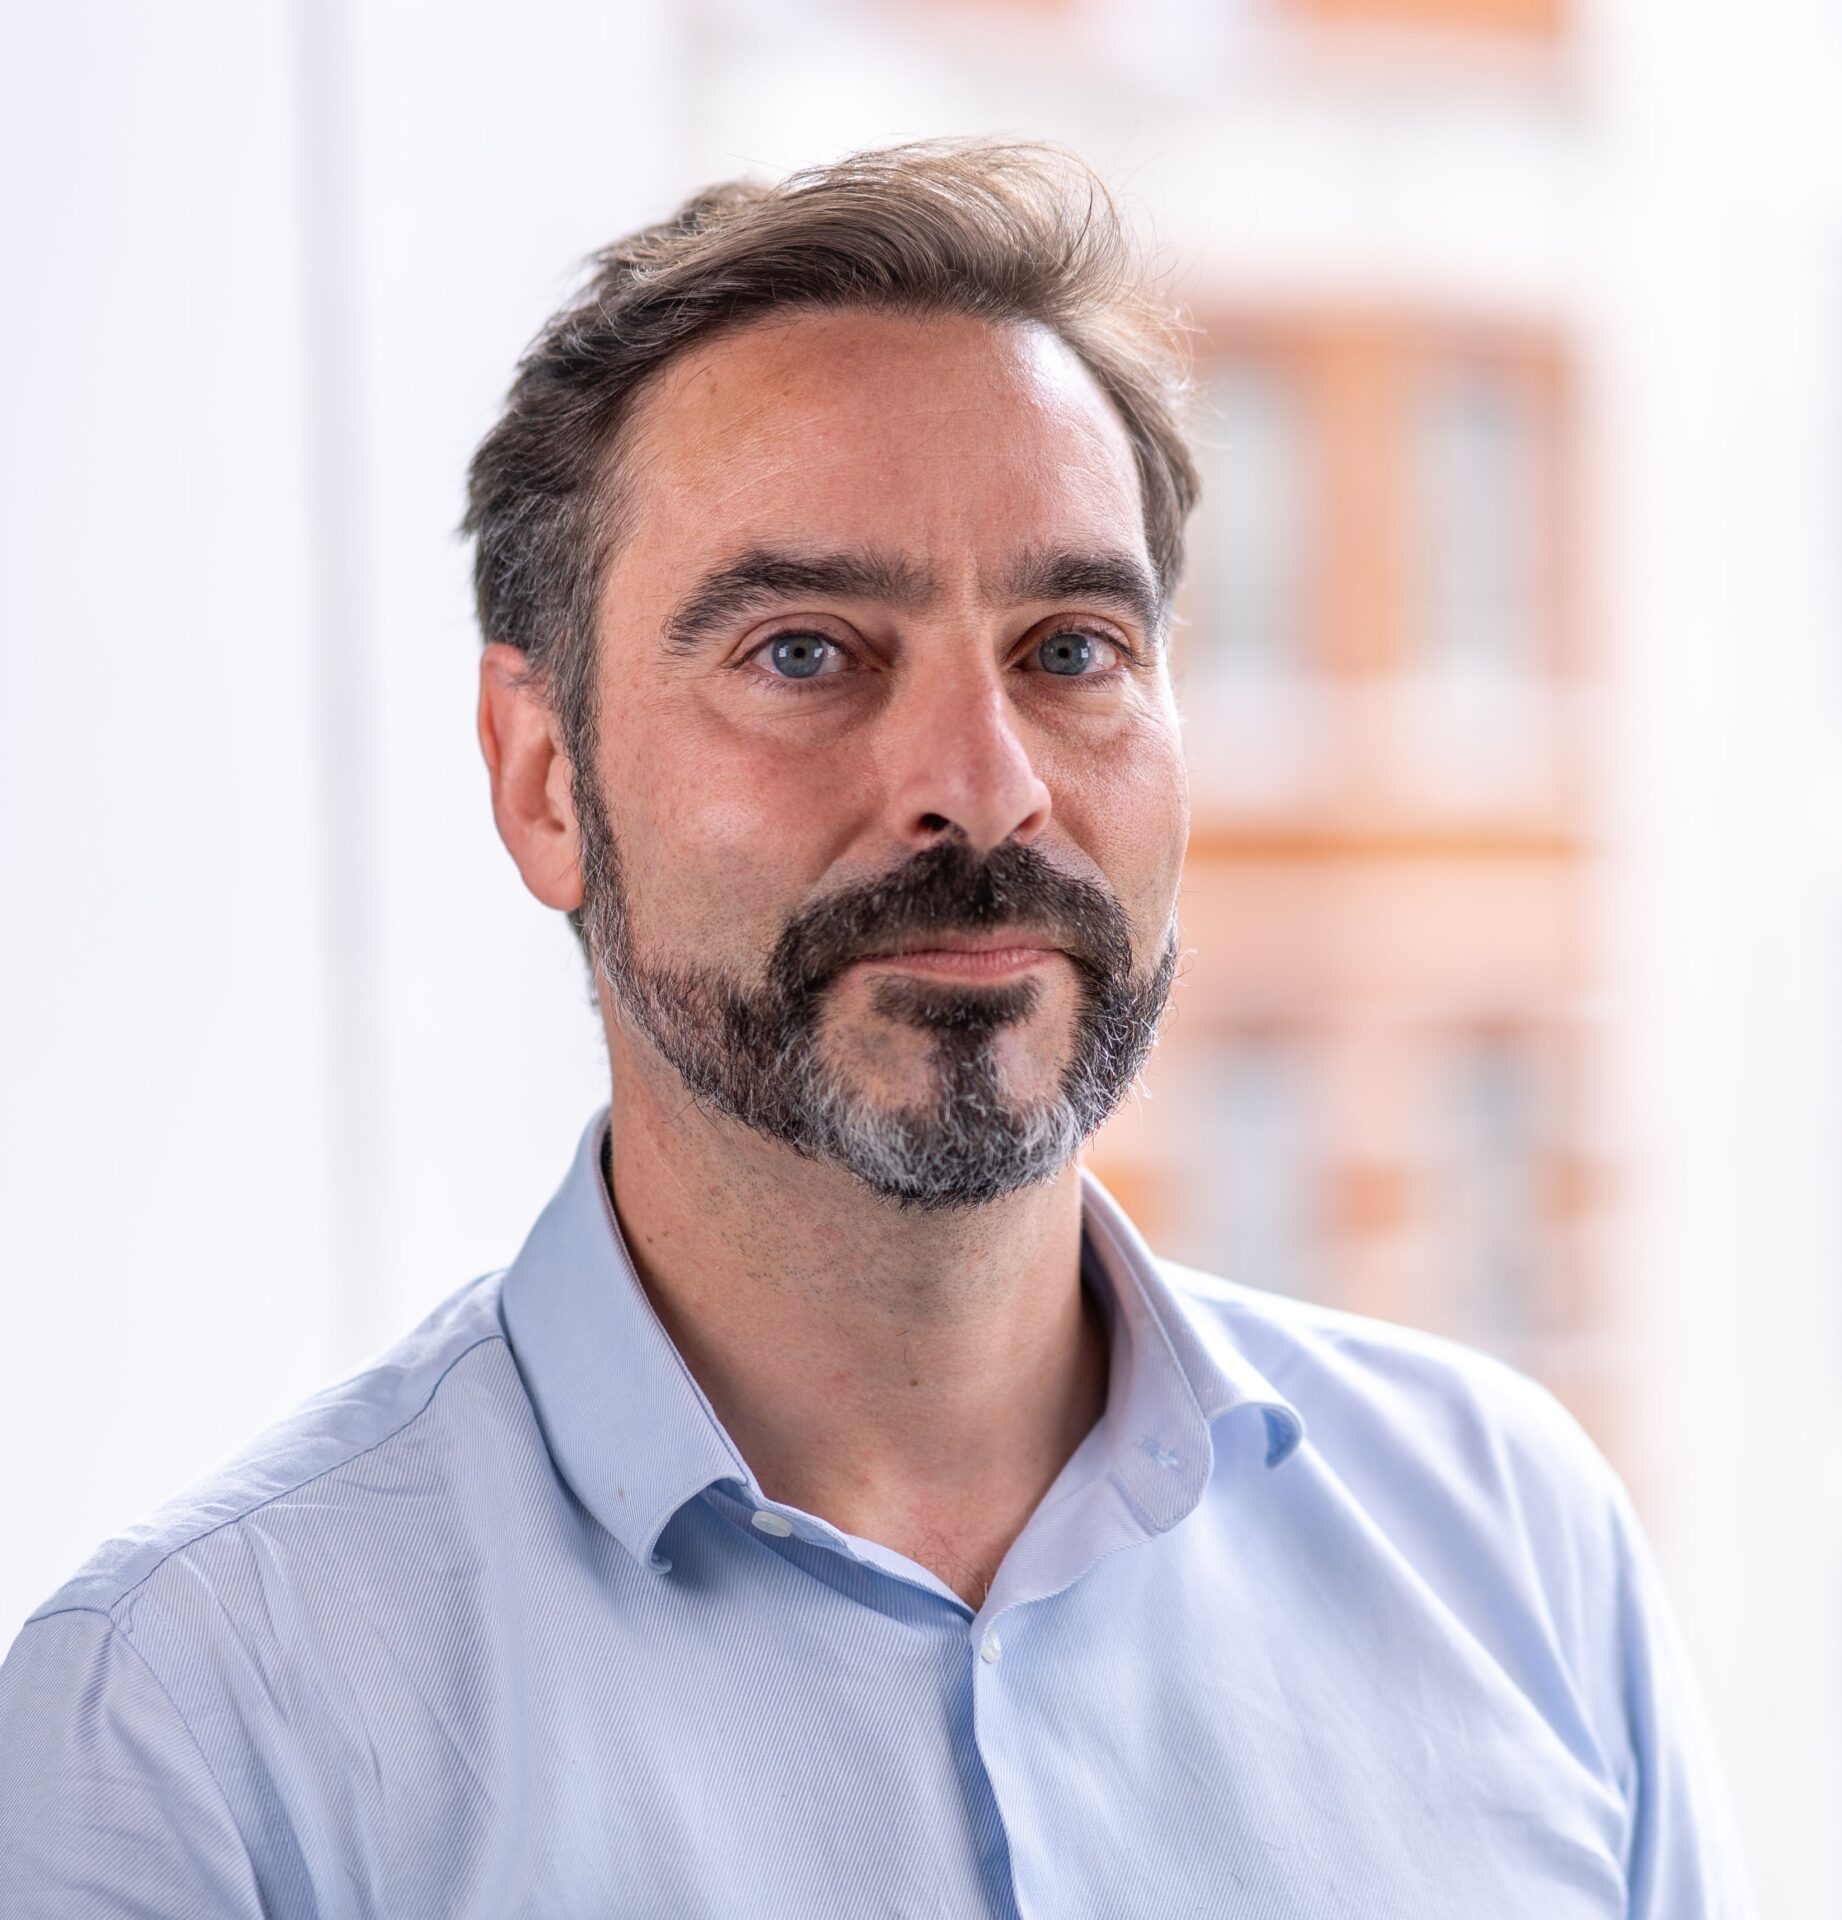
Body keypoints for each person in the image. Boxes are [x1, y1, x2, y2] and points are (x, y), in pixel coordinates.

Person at [0, 139, 1750, 1918]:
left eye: (1071, 650)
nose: (981, 793)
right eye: (805, 653)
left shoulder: (1508, 1542)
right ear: (541, 780)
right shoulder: (196, 1730)